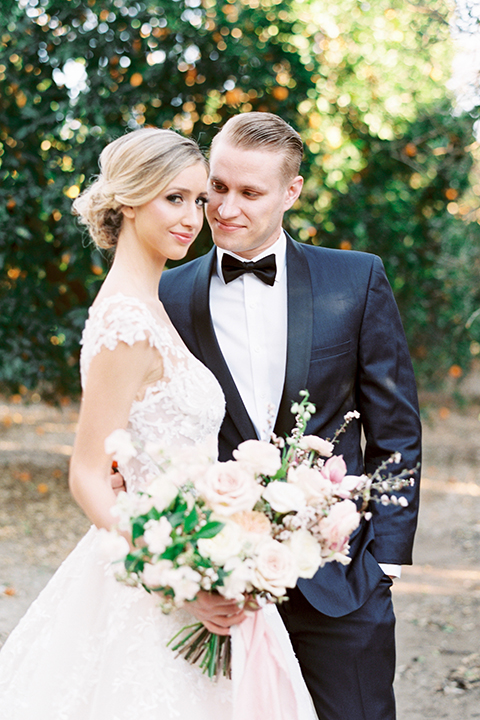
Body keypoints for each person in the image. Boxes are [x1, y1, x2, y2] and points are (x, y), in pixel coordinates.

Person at [0, 127, 317, 720]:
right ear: (128, 198)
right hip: (156, 579)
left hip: (198, 553)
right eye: (174, 198)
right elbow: (88, 475)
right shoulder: (127, 319)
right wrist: (181, 579)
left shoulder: (156, 306)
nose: (195, 217)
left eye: (198, 200)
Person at [158, 112, 422, 720]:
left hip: (341, 581)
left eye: (250, 193)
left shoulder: (355, 281)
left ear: (291, 193)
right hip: (218, 586)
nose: (225, 208)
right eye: (216, 187)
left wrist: (385, 560)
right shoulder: (168, 294)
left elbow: (397, 429)